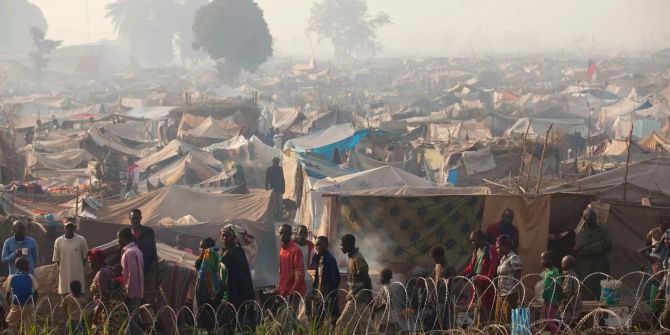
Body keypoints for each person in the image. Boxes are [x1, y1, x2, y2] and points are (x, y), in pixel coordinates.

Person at [219, 226, 256, 328]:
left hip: (237, 293)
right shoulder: (223, 251)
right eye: (223, 235)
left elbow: (243, 275)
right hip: (225, 293)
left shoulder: (238, 252)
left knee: (236, 321)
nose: (225, 238)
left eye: (227, 235)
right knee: (227, 323)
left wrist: (247, 295)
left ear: (233, 237)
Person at [336, 234, 372, 334]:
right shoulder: (352, 258)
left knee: (341, 324)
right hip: (357, 297)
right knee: (367, 327)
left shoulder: (357, 259)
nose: (340, 247)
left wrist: (370, 296)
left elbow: (366, 279)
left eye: (342, 245)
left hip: (357, 298)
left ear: (348, 245)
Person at [461, 230, 498, 327]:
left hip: (486, 286)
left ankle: (485, 330)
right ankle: (479, 329)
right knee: (477, 310)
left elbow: (492, 268)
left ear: (480, 238)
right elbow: (471, 266)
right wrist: (463, 274)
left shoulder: (491, 249)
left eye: (474, 240)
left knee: (486, 312)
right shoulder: (476, 251)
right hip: (476, 285)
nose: (472, 243)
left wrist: (484, 281)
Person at [575, 207, 612, 300]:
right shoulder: (581, 234)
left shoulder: (602, 231)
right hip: (587, 271)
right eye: (589, 218)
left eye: (593, 218)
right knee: (588, 297)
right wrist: (599, 245)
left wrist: (592, 247)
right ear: (585, 219)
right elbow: (582, 251)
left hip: (602, 268)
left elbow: (609, 245)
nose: (592, 220)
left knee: (603, 297)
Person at [88, 249, 127, 335]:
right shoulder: (109, 269)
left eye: (90, 262)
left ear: (96, 261)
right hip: (117, 309)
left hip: (107, 311)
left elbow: (103, 298)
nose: (89, 264)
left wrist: (96, 314)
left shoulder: (101, 274)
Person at [129, 209, 159, 306]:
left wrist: (155, 265)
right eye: (133, 218)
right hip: (132, 272)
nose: (135, 220)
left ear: (141, 218)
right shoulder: (126, 233)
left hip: (147, 269)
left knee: (148, 298)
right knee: (134, 298)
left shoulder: (148, 231)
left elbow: (153, 249)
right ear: (130, 219)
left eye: (137, 218)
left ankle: (149, 320)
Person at [118, 227, 145, 334]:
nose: (118, 241)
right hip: (138, 292)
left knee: (129, 323)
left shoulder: (129, 253)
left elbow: (132, 276)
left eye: (118, 238)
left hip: (132, 294)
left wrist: (127, 294)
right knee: (132, 322)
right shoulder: (137, 250)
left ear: (124, 238)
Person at [52, 218, 89, 295]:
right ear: (64, 227)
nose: (69, 228)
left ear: (74, 228)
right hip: (64, 276)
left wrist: (78, 267)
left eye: (71, 226)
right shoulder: (58, 241)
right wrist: (64, 267)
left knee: (78, 298)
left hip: (77, 276)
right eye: (67, 226)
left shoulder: (81, 240)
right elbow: (57, 259)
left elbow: (85, 257)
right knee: (65, 298)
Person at [3, 257, 38, 333]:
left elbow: (7, 293)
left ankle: (12, 332)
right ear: (25, 266)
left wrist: (9, 305)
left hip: (16, 306)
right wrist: (33, 304)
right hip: (29, 305)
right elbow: (36, 292)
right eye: (28, 264)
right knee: (29, 327)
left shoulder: (11, 277)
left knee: (10, 322)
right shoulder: (30, 277)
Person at [311, 236, 341, 324]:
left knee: (333, 320)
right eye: (316, 245)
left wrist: (329, 293)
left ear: (326, 245)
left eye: (321, 245)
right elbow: (317, 277)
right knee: (317, 320)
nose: (318, 247)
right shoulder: (320, 257)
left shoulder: (330, 260)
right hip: (320, 294)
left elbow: (336, 279)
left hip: (329, 296)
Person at [195, 237, 222, 333]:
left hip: (207, 287)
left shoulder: (208, 253)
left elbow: (207, 272)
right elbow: (198, 265)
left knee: (208, 313)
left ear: (207, 246)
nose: (200, 249)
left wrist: (211, 291)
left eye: (202, 247)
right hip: (207, 286)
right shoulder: (208, 253)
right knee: (209, 312)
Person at [494, 235, 523, 326]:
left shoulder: (514, 258)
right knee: (499, 321)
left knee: (509, 322)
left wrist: (520, 296)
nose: (497, 250)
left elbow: (517, 279)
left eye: (498, 248)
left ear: (505, 246)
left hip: (510, 295)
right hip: (501, 295)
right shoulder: (502, 259)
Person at [372, 268, 405, 333]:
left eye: (381, 276)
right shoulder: (384, 288)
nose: (380, 278)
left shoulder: (387, 288)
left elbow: (386, 303)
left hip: (386, 318)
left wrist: (376, 308)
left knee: (388, 331)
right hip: (385, 317)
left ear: (384, 278)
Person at [278, 224, 306, 299]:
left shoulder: (295, 250)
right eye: (281, 233)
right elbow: (282, 272)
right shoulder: (282, 250)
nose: (282, 235)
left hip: (294, 294)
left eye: (285, 233)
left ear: (290, 234)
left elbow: (299, 274)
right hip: (283, 291)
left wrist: (292, 291)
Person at [430, 246, 455, 330]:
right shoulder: (437, 266)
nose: (434, 260)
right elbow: (436, 282)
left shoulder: (449, 267)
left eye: (434, 258)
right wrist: (432, 294)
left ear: (440, 255)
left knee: (444, 322)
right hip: (437, 298)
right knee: (437, 321)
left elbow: (454, 279)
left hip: (446, 299)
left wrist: (449, 280)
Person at [541, 251, 562, 332]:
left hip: (553, 300)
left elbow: (559, 286)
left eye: (544, 259)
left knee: (550, 322)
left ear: (550, 260)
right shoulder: (547, 271)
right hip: (547, 299)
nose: (542, 261)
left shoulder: (554, 271)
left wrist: (558, 300)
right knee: (547, 321)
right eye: (541, 259)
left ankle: (561, 332)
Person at [559, 255, 582, 326]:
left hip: (569, 308)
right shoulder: (574, 275)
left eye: (562, 262)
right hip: (575, 305)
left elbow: (566, 293)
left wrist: (561, 307)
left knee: (566, 326)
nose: (561, 264)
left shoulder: (569, 277)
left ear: (566, 264)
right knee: (572, 326)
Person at [295, 225, 315, 289]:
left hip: (307, 278)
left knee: (307, 297)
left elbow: (313, 263)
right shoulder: (292, 245)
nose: (303, 234)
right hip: (295, 278)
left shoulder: (311, 246)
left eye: (305, 232)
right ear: (297, 233)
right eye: (301, 232)